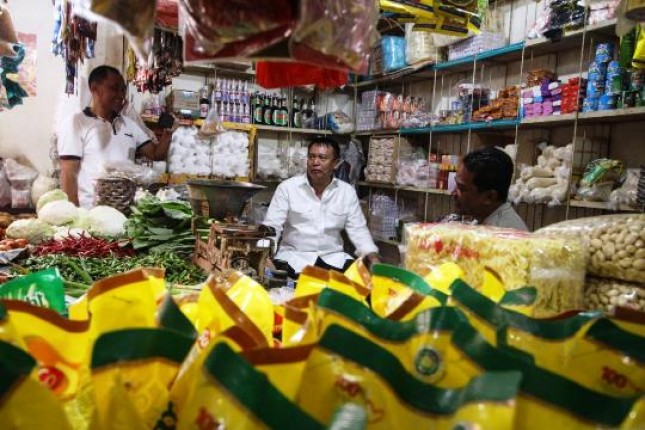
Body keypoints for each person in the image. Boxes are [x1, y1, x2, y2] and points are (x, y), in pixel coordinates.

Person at [261, 137, 380, 277]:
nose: (315, 162)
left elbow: (358, 230)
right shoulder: (287, 188)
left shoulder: (346, 192)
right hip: (294, 260)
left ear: (336, 163)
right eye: (311, 157)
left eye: (322, 158)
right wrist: (263, 256)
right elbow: (272, 226)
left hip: (334, 260)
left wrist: (372, 257)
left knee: (359, 286)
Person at [57, 65, 174, 208]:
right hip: (90, 212)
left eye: (123, 89)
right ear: (95, 89)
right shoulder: (76, 123)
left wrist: (168, 133)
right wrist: (74, 215)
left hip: (125, 210)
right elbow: (68, 173)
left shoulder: (129, 124)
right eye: (114, 88)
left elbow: (156, 154)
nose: (120, 95)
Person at [452, 146, 528, 231]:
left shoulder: (506, 235)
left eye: (462, 189)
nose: (453, 193)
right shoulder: (485, 220)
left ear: (489, 197)